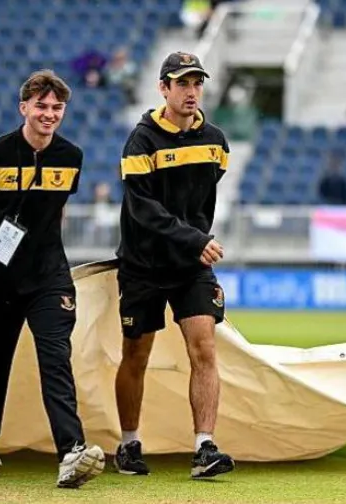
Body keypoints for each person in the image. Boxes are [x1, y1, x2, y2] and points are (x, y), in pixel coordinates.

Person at [0, 69, 104, 488]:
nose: (49, 114)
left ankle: (71, 452)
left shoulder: (71, 156)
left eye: (57, 107)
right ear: (23, 107)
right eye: (41, 106)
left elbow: (58, 210)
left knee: (56, 359)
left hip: (49, 278)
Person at [113, 51, 235, 479]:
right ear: (163, 88)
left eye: (197, 83)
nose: (191, 91)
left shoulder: (216, 141)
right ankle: (129, 443)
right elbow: (143, 209)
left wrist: (194, 244)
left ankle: (204, 447)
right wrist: (196, 239)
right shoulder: (141, 141)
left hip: (190, 266)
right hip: (143, 265)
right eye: (182, 83)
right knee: (136, 354)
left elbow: (201, 197)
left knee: (204, 348)